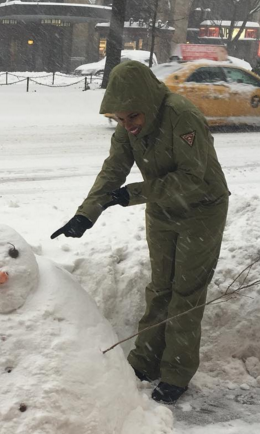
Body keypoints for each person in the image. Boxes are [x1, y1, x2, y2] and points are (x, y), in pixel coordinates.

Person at [51, 61, 229, 405]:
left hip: (201, 209)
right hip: (162, 209)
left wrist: (132, 194)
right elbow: (113, 170)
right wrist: (86, 214)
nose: (127, 126)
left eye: (132, 117)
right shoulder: (128, 126)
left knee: (186, 293)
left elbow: (193, 179)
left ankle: (177, 373)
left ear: (147, 103)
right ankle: (145, 361)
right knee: (160, 288)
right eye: (119, 119)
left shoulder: (182, 116)